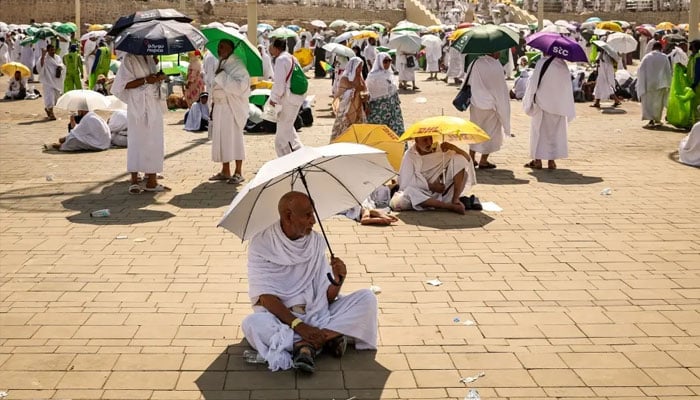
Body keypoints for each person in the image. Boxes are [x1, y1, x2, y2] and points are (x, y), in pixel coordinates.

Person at [241, 191, 378, 373]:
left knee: (367, 298)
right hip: (281, 318)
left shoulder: (315, 242)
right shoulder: (262, 244)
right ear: (288, 216)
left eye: (313, 214)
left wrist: (338, 280)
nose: (313, 221)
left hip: (317, 312)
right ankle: (327, 338)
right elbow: (266, 298)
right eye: (307, 215)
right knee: (252, 324)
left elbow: (326, 298)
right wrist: (300, 326)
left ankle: (307, 345)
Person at [111, 53, 169, 194]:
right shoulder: (129, 59)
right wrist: (145, 80)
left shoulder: (150, 58)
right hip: (137, 106)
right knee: (137, 141)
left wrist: (158, 76)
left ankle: (151, 179)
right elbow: (122, 85)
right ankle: (134, 179)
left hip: (153, 104)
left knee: (154, 141)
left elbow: (152, 80)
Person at [392, 136, 476, 214]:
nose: (429, 143)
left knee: (459, 159)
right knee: (409, 192)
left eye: (430, 139)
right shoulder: (410, 155)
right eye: (425, 140)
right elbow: (406, 182)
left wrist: (454, 148)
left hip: (440, 193)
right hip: (420, 193)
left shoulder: (440, 150)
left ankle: (455, 199)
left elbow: (466, 159)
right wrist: (432, 187)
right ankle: (448, 206)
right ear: (416, 140)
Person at [522, 55, 575, 170]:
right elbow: (566, 86)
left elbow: (533, 83)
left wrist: (528, 101)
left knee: (539, 132)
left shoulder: (542, 62)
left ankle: (538, 160)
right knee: (554, 134)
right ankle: (551, 161)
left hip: (542, 104)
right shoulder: (563, 65)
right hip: (559, 106)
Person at [208, 39, 250, 184]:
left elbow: (240, 87)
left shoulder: (237, 65)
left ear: (231, 49)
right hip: (219, 107)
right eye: (219, 47)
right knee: (221, 139)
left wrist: (222, 76)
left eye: (223, 47)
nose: (220, 49)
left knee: (234, 139)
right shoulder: (221, 62)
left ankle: (238, 172)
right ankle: (225, 170)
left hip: (231, 108)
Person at [467, 52, 511, 169]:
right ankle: (483, 160)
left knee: (474, 130)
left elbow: (469, 81)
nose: (499, 54)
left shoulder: (475, 62)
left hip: (476, 103)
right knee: (490, 133)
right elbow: (500, 88)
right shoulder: (496, 65)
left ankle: (471, 157)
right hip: (491, 106)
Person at [269, 38, 305, 157]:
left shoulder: (281, 60)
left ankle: (285, 161)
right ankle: (301, 155)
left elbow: (279, 85)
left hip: (287, 100)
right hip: (296, 98)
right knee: (289, 130)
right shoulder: (292, 58)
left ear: (276, 47)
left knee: (281, 137)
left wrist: (273, 100)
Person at [365, 52, 405, 136]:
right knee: (379, 133)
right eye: (385, 61)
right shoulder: (372, 76)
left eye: (389, 61)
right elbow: (368, 92)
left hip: (393, 109)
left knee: (396, 131)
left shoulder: (390, 74)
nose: (388, 63)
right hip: (378, 110)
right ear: (379, 62)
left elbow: (393, 90)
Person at [636, 42, 672, 128]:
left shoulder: (647, 57)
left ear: (653, 48)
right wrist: (668, 83)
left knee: (648, 102)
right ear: (661, 48)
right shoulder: (664, 57)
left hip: (648, 83)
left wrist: (641, 82)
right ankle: (657, 119)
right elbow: (668, 71)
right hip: (660, 84)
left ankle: (650, 120)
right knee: (658, 103)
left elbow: (640, 70)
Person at [330, 57, 367, 141]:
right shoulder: (345, 78)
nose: (360, 69)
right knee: (344, 127)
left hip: (357, 107)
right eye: (359, 66)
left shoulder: (360, 78)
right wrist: (352, 91)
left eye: (361, 66)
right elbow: (340, 94)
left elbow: (364, 89)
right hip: (346, 108)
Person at [39, 44, 64, 120]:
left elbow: (62, 65)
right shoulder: (45, 58)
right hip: (48, 81)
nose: (52, 51)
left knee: (56, 97)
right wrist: (43, 55)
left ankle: (48, 109)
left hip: (56, 80)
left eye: (53, 50)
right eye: (50, 50)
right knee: (49, 97)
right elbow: (41, 66)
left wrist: (60, 67)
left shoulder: (58, 57)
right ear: (48, 50)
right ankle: (51, 113)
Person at [688, 40, 700, 124]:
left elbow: (698, 71)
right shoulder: (693, 57)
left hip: (697, 84)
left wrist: (694, 83)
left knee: (697, 104)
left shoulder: (698, 57)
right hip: (694, 83)